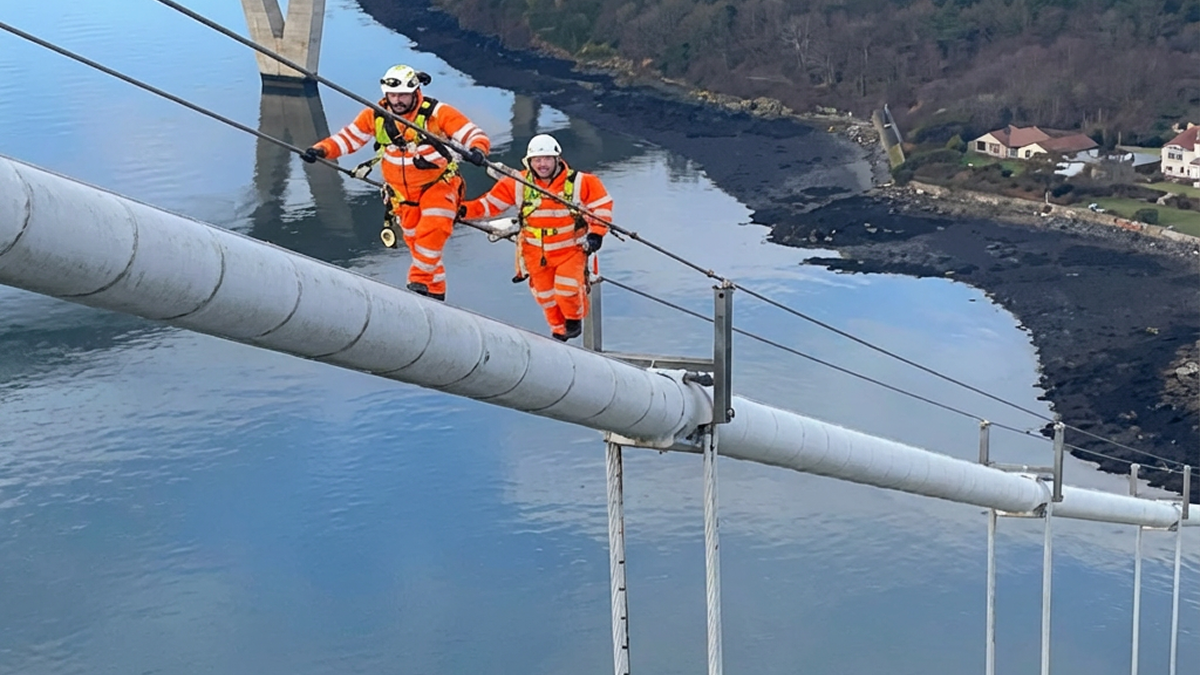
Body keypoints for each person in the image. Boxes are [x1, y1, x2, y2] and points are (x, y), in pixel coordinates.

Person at [302, 65, 490, 301]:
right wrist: (321, 150)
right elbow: (349, 138)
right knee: (418, 246)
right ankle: (435, 294)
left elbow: (472, 134)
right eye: (393, 95)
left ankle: (418, 279)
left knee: (432, 231)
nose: (398, 101)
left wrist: (477, 150)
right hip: (401, 195)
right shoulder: (377, 115)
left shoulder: (437, 113)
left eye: (403, 95)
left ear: (415, 91)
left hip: (438, 186)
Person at [462, 134, 612, 341]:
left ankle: (574, 319)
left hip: (570, 249)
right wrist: (461, 210)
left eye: (547, 159)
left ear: (557, 159)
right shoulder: (518, 184)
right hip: (535, 252)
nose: (542, 164)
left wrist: (597, 234)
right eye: (537, 160)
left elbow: (601, 207)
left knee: (567, 290)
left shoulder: (582, 182)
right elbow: (488, 205)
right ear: (529, 162)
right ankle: (559, 332)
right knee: (545, 297)